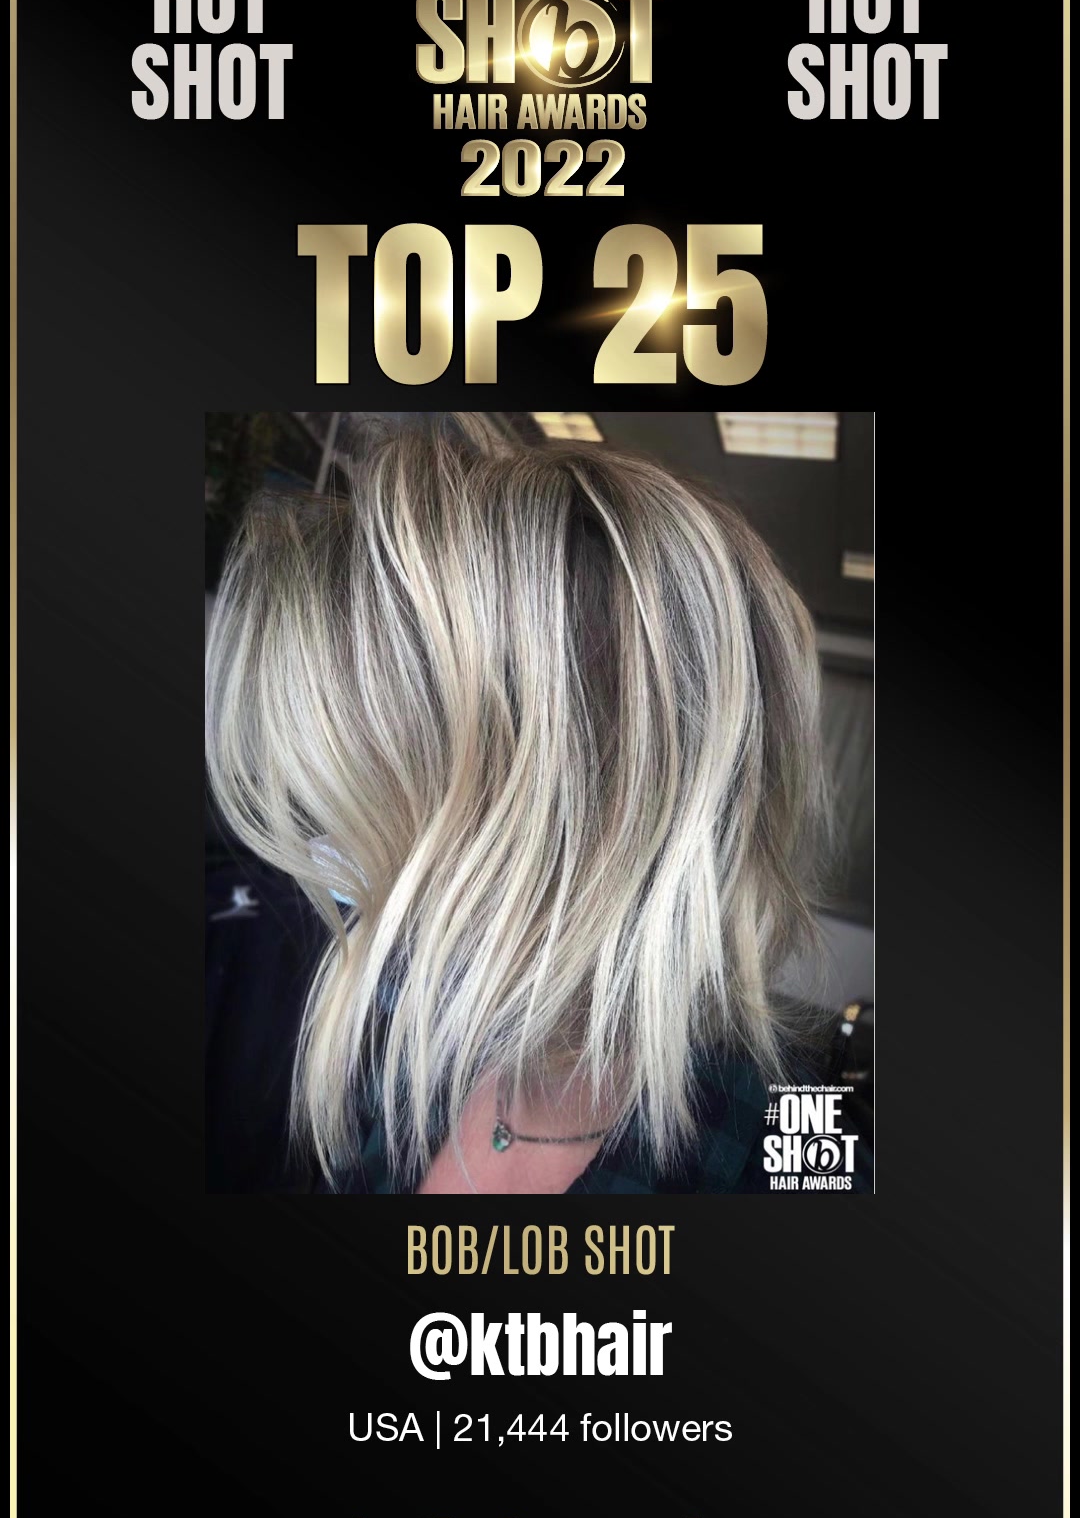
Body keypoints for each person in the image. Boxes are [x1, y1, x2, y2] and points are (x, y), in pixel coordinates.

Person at [205, 413, 869, 1195]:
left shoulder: (806, 1155)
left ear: (570, 815)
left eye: (381, 809)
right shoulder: (403, 1044)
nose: (340, 857)